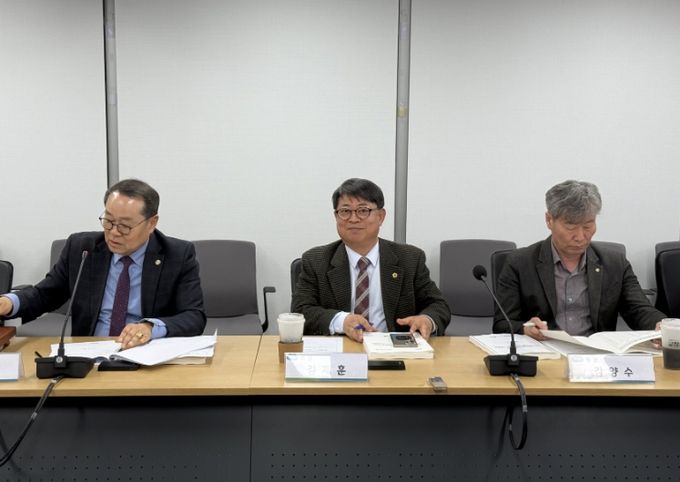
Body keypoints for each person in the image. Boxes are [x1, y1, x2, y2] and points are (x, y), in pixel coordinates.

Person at [0, 179, 206, 348]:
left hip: (145, 352)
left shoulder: (177, 254)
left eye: (125, 226)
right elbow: (45, 294)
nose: (114, 232)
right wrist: (9, 302)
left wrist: (150, 328)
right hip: (89, 350)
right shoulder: (82, 248)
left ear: (152, 223)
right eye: (108, 221)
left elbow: (193, 316)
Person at [494, 179, 665, 339]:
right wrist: (525, 329)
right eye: (571, 227)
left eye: (588, 226)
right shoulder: (520, 263)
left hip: (596, 354)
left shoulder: (615, 264)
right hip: (545, 352)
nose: (580, 237)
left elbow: (639, 309)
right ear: (549, 220)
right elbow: (502, 324)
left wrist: (659, 325)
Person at [292, 178, 450, 342]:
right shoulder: (316, 260)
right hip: (341, 346)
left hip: (394, 348)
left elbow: (438, 305)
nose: (353, 219)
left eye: (363, 210)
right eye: (345, 211)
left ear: (381, 216)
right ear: (336, 217)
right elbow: (300, 311)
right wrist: (342, 321)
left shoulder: (410, 258)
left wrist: (427, 320)